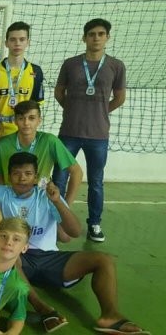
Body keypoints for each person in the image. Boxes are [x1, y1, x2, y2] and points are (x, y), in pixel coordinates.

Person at [0, 152, 150, 334]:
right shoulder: (0, 192)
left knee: (103, 260)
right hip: (19, 258)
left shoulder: (47, 195)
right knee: (7, 254)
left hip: (49, 257)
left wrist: (57, 202)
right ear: (9, 176)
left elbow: (75, 232)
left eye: (28, 174)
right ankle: (43, 309)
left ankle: (110, 316)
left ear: (36, 176)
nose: (22, 178)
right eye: (16, 173)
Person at [52, 18, 127, 243]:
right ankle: (55, 219)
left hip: (98, 136)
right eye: (92, 34)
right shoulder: (70, 64)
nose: (96, 38)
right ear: (84, 37)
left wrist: (101, 112)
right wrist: (73, 110)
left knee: (96, 181)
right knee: (59, 177)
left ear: (107, 38)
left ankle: (94, 223)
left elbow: (120, 97)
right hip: (69, 133)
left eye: (101, 34)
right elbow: (58, 93)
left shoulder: (116, 65)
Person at [0, 100, 83, 205]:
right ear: (15, 120)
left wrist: (66, 205)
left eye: (31, 118)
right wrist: (3, 200)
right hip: (12, 198)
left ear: (39, 120)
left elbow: (77, 172)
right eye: (21, 118)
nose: (26, 123)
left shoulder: (50, 141)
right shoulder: (3, 144)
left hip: (41, 198)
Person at [0, 22, 44, 138]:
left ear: (28, 42)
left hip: (24, 134)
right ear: (6, 43)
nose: (17, 43)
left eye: (22, 39)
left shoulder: (36, 71)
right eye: (13, 40)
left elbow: (36, 106)